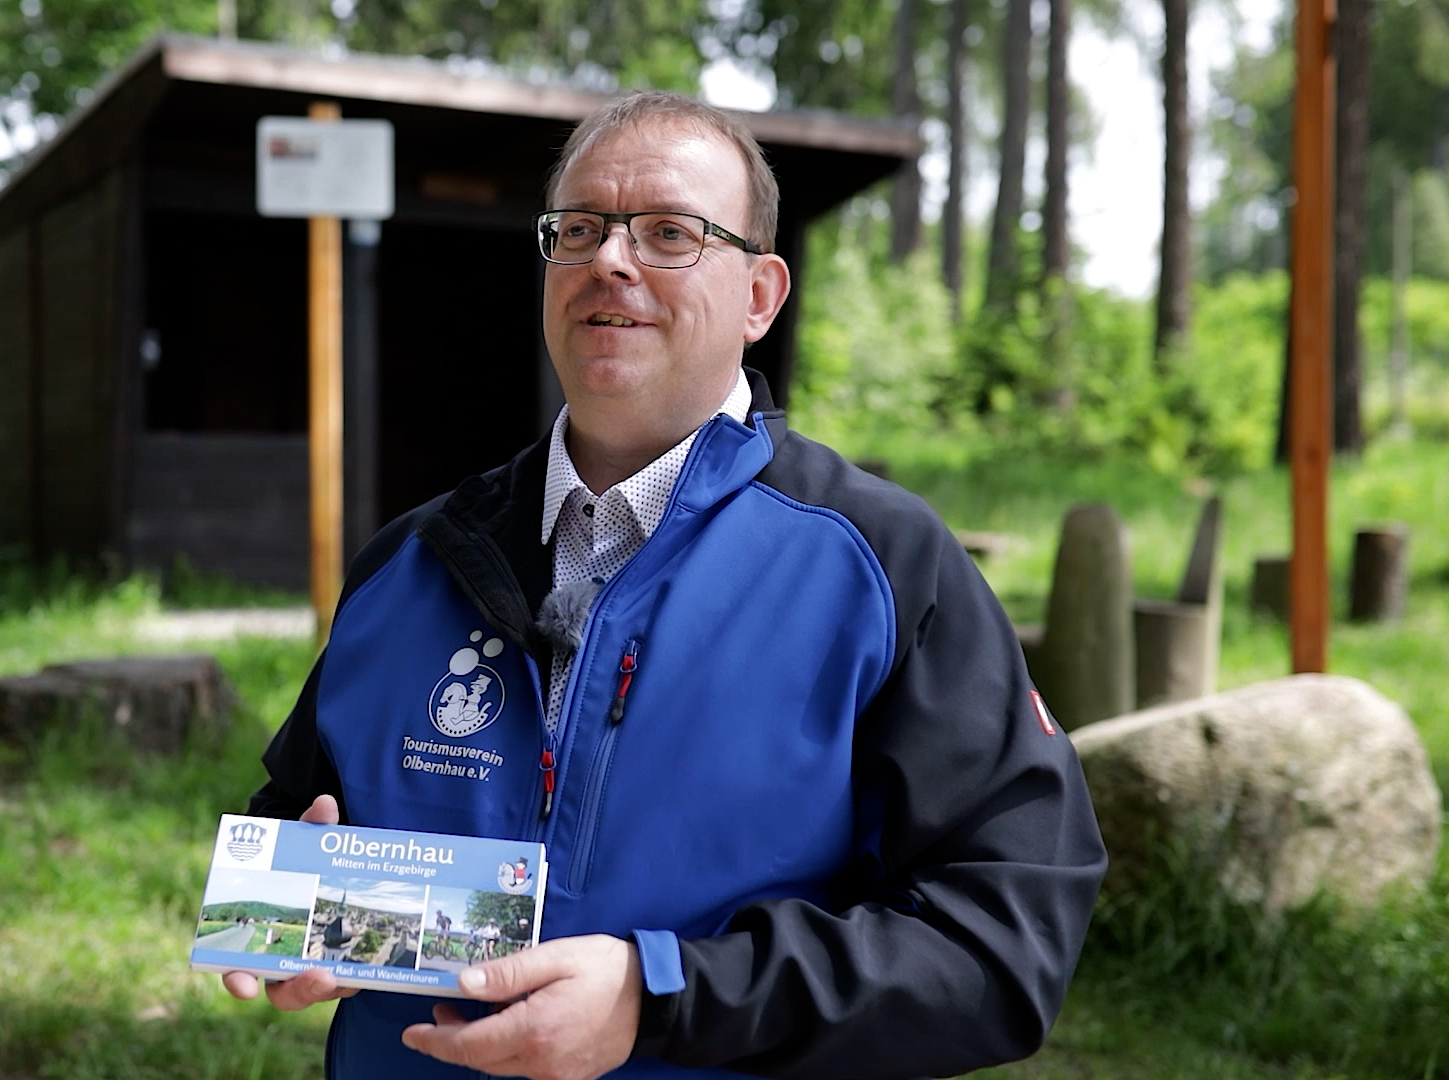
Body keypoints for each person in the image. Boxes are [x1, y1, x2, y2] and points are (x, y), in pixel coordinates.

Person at [221, 90, 1105, 1080]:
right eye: (582, 228)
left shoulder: (887, 569)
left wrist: (663, 998)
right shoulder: (410, 562)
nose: (610, 258)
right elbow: (297, 810)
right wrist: (302, 899)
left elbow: (1001, 946)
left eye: (670, 233)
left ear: (761, 297)